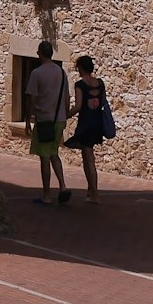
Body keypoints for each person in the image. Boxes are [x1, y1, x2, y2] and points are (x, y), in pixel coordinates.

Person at [24, 40, 71, 205]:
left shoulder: (37, 73)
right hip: (59, 118)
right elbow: (67, 97)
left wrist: (29, 120)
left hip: (44, 120)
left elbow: (32, 98)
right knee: (54, 153)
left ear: (40, 53)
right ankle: (63, 186)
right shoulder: (61, 72)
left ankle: (47, 195)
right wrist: (65, 115)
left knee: (44, 156)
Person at [66, 53, 106, 202]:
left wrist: (65, 116)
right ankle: (90, 190)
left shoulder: (80, 85)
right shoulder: (100, 83)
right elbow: (101, 103)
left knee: (88, 158)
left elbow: (77, 106)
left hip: (86, 124)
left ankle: (95, 193)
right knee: (89, 156)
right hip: (97, 123)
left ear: (81, 68)